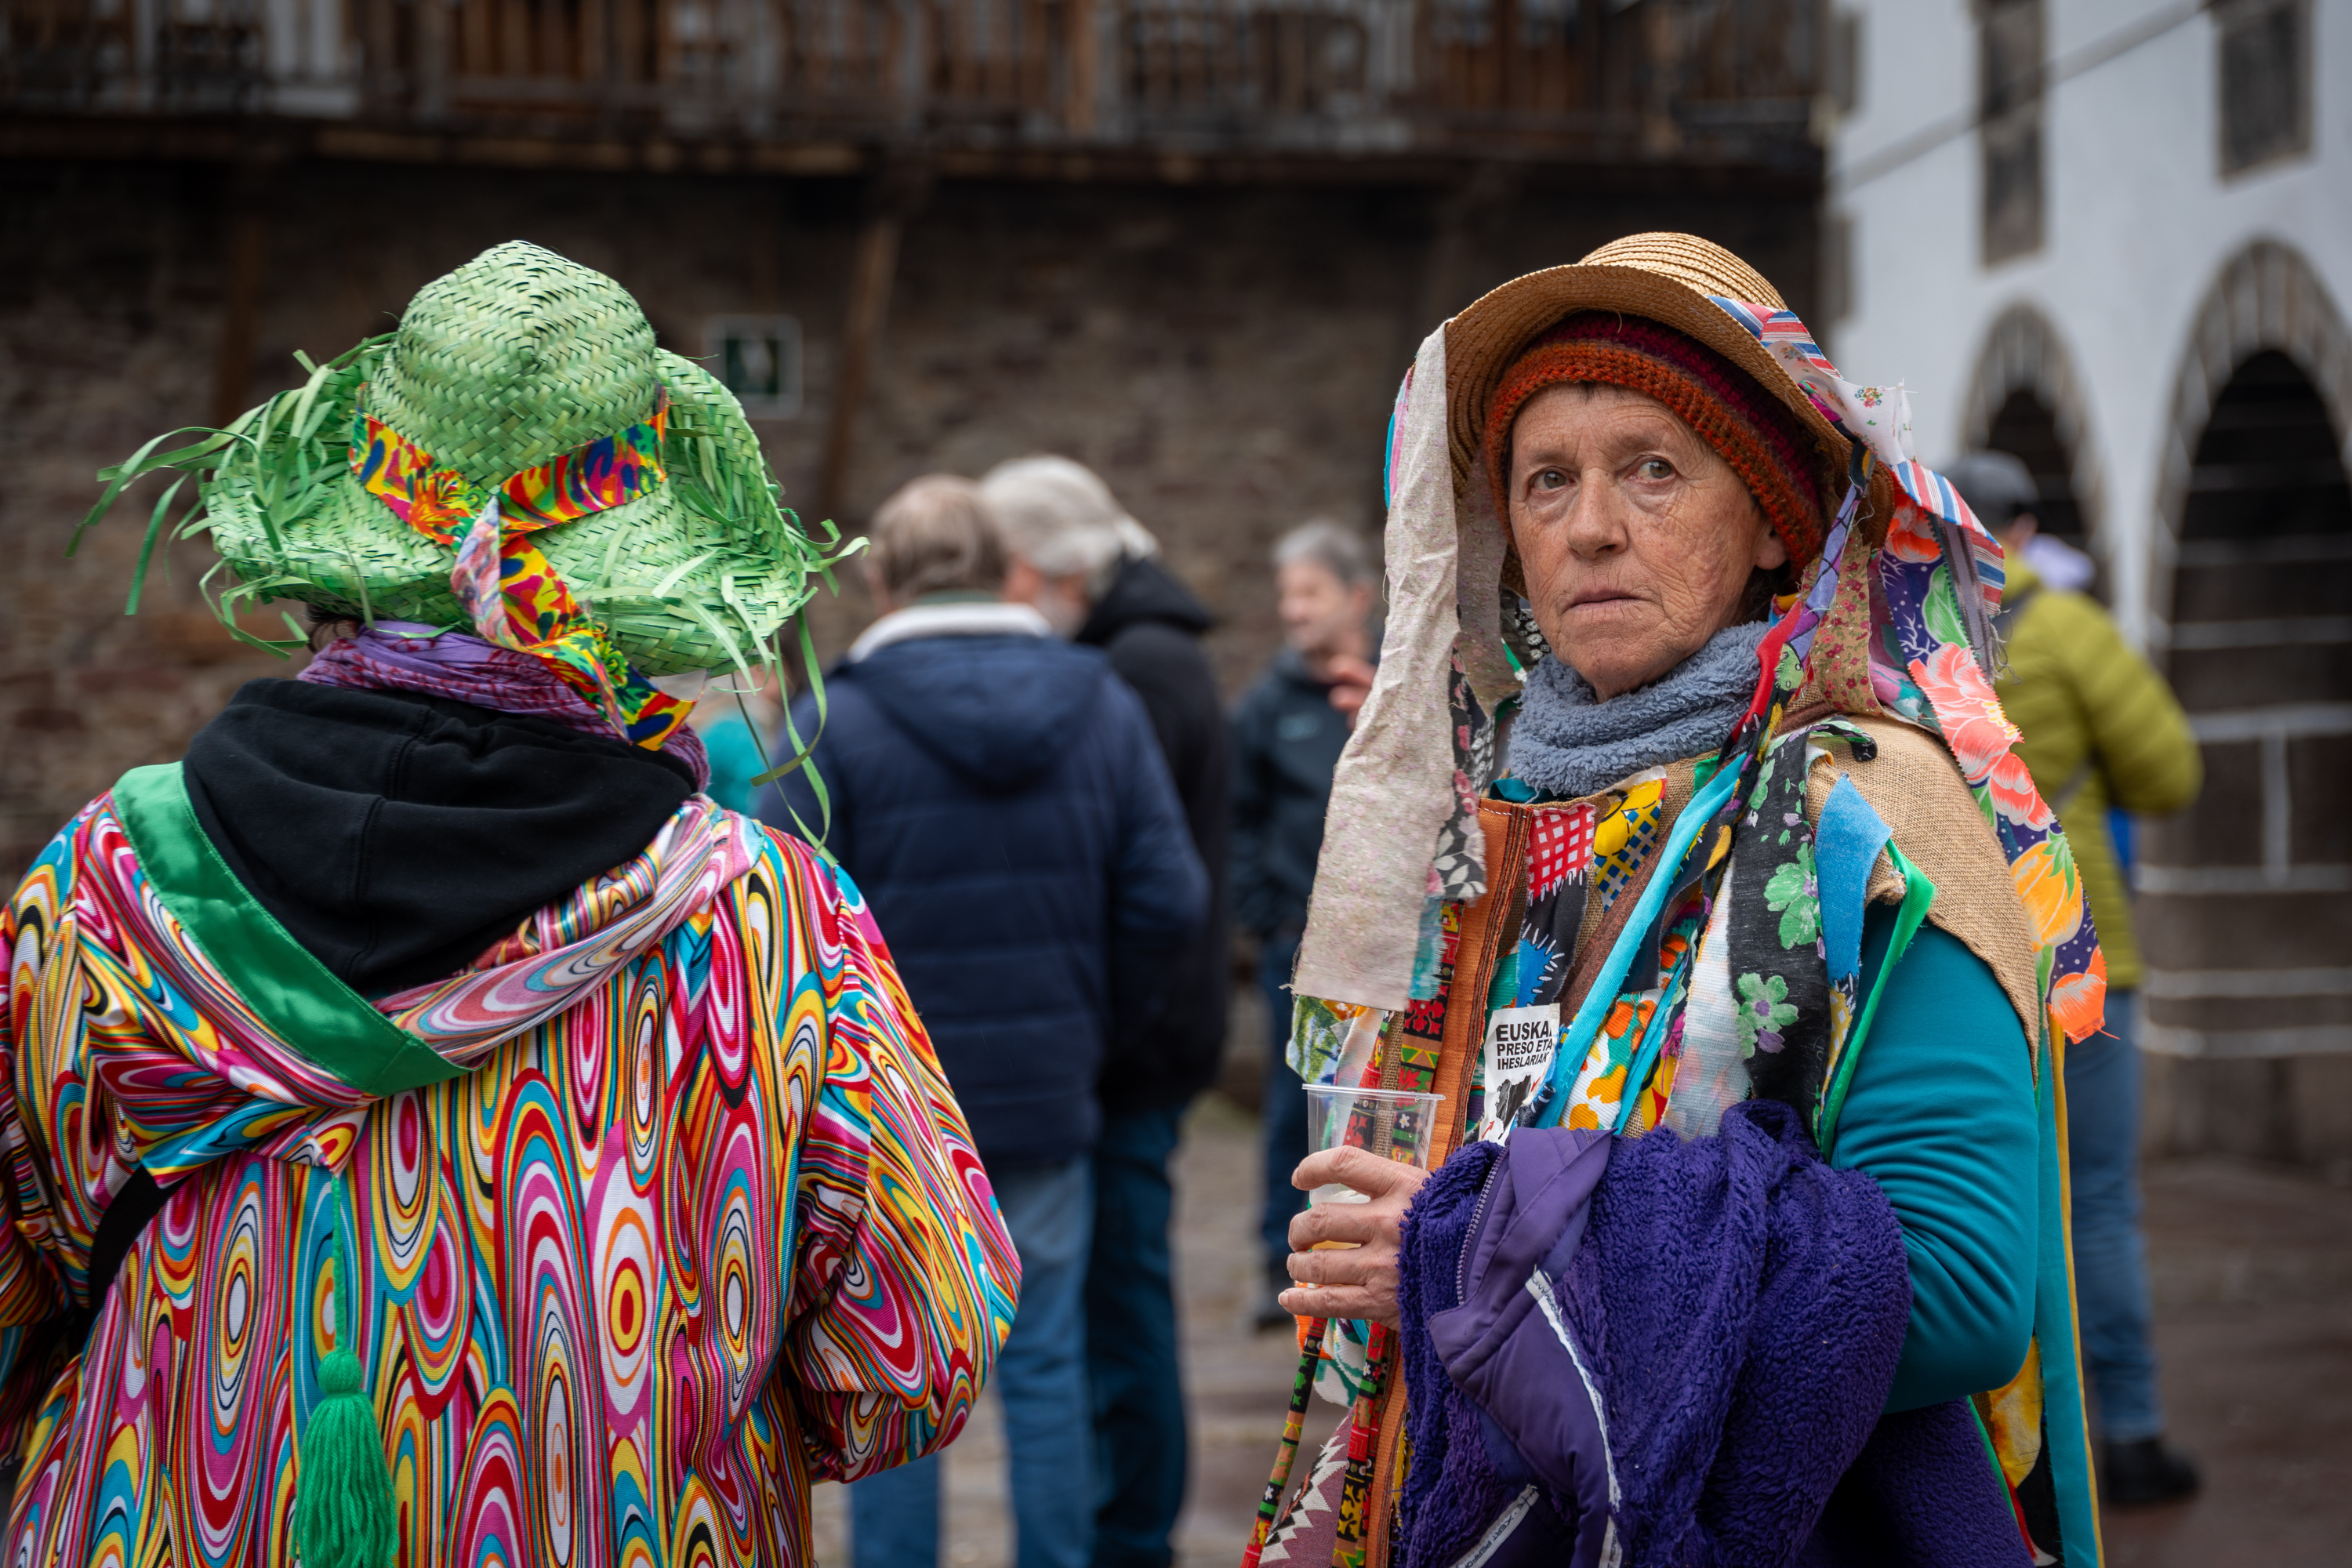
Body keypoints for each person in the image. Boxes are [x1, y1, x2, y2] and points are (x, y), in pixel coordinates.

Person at [7, 242, 1020, 1559]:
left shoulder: (98, 883)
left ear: (341, 570)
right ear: (628, 598)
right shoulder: (767, 921)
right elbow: (910, 1352)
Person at [1252, 235, 2118, 1566]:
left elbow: (1956, 1292)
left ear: (1773, 519)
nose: (1591, 524)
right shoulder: (1492, 825)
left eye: (1653, 469)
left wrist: (1466, 1257)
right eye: (1547, 480)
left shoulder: (1863, 814)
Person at [761, 474, 1208, 1568]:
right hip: (1053, 1092)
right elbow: (1172, 899)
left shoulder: (835, 719)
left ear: (880, 578)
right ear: (1000, 564)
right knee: (1049, 1361)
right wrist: (1096, 1027)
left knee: (890, 1363)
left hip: (885, 1119)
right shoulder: (1098, 699)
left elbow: (769, 915)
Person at [979, 454, 1230, 1568]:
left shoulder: (1142, 664)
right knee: (1108, 1300)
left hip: (1141, 1043)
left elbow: (1144, 884)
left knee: (1124, 1305)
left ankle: (1135, 1535)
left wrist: (1103, 1030)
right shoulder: (1140, 651)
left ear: (1051, 567)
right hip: (1137, 1033)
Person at [1946, 449, 2205, 1505]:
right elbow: (2171, 773)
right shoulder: (2062, 628)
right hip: (2080, 947)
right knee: (2096, 1201)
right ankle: (2131, 1435)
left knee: (1987, 1205)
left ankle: (2015, 1458)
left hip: (1961, 958)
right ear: (2028, 527)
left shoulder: (1921, 636)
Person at [1228, 520, 1379, 1329]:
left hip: (1386, 935)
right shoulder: (1263, 705)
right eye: (1286, 594)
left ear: (1357, 597)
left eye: (1309, 592)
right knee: (1292, 1105)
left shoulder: (1396, 681)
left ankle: (1361, 1254)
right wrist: (1266, 915)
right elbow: (1238, 821)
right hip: (1299, 941)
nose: (1293, 610)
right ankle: (1273, 1260)